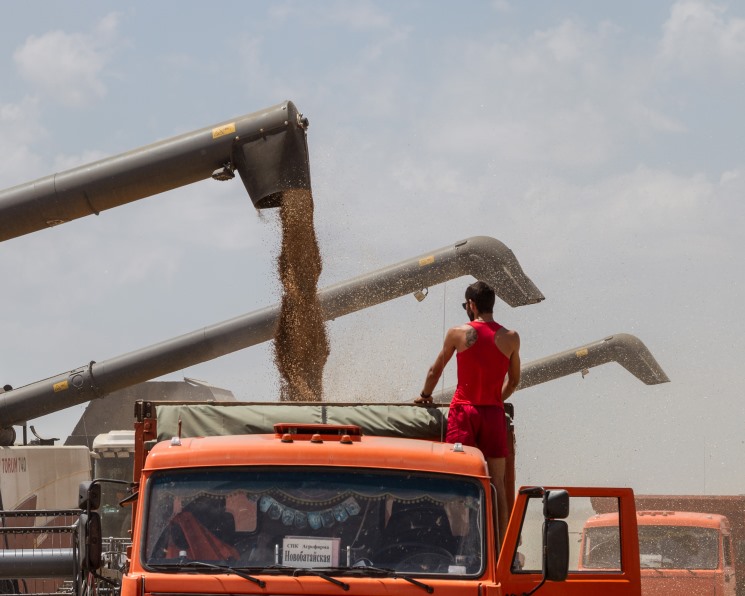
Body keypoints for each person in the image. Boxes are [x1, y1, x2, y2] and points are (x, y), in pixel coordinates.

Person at [415, 280, 520, 544]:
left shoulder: (457, 333)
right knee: (497, 483)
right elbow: (515, 381)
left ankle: (458, 544)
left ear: (471, 305)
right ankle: (502, 550)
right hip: (493, 416)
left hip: (464, 412)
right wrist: (496, 398)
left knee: (458, 481)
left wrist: (425, 396)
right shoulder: (511, 337)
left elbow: (434, 371)